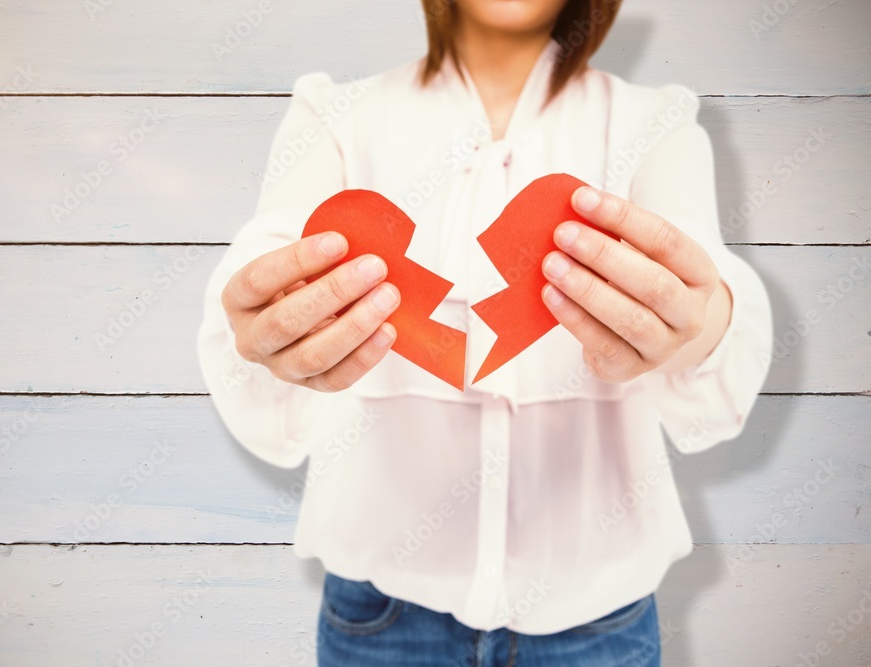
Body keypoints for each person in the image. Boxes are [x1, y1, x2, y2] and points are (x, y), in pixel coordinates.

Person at [196, 0, 774, 664]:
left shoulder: (655, 125)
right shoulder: (334, 119)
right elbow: (262, 272)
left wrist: (702, 326)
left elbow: (712, 308)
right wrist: (260, 327)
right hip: (379, 618)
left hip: (599, 623)